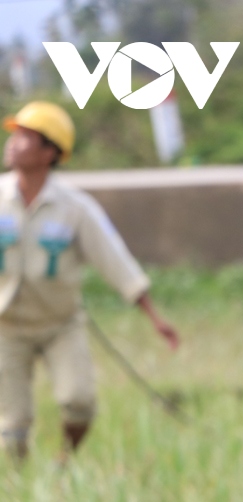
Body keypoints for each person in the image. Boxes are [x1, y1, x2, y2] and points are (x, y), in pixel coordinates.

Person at [0, 101, 179, 460]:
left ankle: (64, 460)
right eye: (15, 136)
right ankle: (18, 479)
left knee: (79, 400)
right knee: (12, 422)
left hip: (60, 323)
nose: (13, 144)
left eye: (26, 138)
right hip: (7, 325)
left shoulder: (74, 208)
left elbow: (114, 260)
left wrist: (155, 318)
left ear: (49, 152)